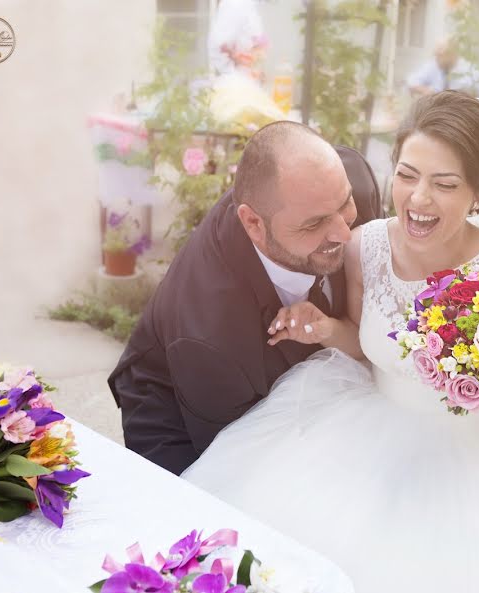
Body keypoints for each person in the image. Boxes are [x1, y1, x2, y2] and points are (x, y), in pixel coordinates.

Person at [183, 91, 479, 591]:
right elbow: (362, 341)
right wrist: (326, 329)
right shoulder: (364, 246)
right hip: (371, 435)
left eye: (444, 184)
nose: (418, 198)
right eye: (407, 175)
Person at [107, 122, 383, 475]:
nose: (345, 233)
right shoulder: (209, 334)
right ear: (254, 223)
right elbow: (240, 460)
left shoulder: (333, 182)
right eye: (313, 224)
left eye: (345, 205)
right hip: (192, 429)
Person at [406, 38, 479, 98]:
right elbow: (411, 81)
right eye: (436, 54)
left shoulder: (471, 70)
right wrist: (428, 91)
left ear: (452, 54)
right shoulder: (434, 65)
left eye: (440, 55)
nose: (436, 58)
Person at [208, 0, 268, 79]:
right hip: (236, 76)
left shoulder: (253, 5)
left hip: (246, 74)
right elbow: (221, 43)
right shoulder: (235, 4)